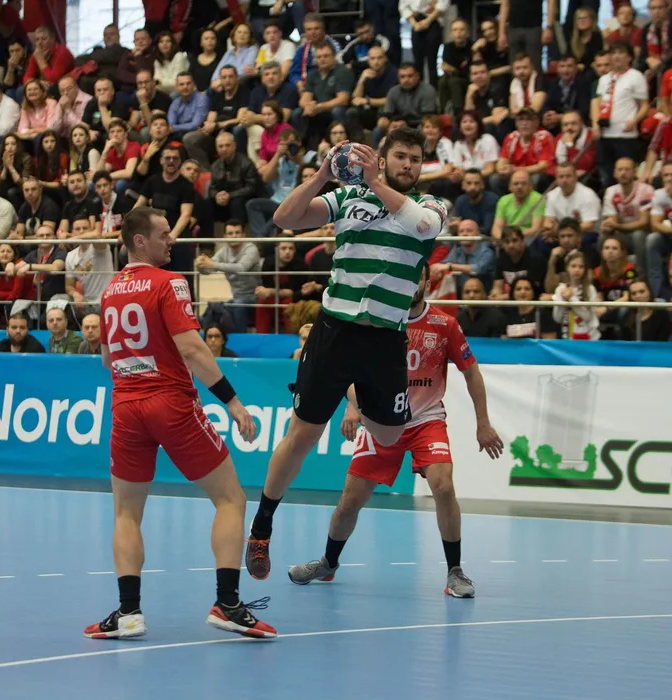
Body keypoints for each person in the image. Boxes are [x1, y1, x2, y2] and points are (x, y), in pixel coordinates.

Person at [244, 128, 447, 580]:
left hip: (385, 340)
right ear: (383, 158)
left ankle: (350, 393)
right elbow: (285, 218)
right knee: (302, 436)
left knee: (390, 436)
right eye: (400, 156)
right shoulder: (349, 197)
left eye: (415, 158)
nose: (408, 164)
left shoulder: (430, 206)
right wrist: (321, 176)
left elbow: (424, 228)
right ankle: (261, 528)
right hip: (334, 331)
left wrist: (375, 181)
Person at [85, 207, 276, 641]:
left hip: (126, 407)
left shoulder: (110, 291)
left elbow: (107, 360)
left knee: (126, 513)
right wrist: (232, 401)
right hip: (170, 403)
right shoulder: (169, 282)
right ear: (139, 241)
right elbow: (192, 348)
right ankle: (228, 604)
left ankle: (129, 612)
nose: (171, 239)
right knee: (230, 499)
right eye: (164, 234)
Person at [286, 265, 503, 596]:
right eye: (408, 277)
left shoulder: (445, 324)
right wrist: (354, 407)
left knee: (443, 486)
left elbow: (471, 373)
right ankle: (328, 563)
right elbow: (348, 370)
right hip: (382, 419)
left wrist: (482, 423)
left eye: (419, 278)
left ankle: (455, 572)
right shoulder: (378, 321)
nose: (413, 283)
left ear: (427, 282)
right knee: (350, 501)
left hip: (426, 419)